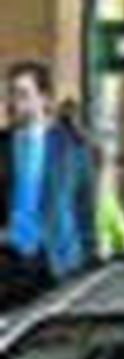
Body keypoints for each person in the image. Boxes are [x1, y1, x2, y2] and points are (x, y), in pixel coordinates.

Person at [0, 58, 98, 305]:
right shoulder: (3, 145)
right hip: (8, 257)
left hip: (56, 259)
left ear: (44, 99)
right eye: (9, 94)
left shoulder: (72, 148)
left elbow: (84, 211)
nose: (13, 103)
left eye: (22, 94)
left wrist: (88, 264)